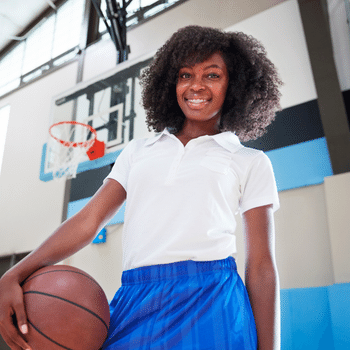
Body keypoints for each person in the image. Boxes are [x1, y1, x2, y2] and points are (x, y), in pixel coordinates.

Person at [0, 25, 282, 349]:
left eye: (212, 75)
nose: (197, 86)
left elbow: (261, 266)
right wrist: (15, 273)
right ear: (171, 83)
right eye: (185, 75)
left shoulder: (249, 160)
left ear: (235, 83)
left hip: (212, 298)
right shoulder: (138, 151)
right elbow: (87, 222)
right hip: (138, 296)